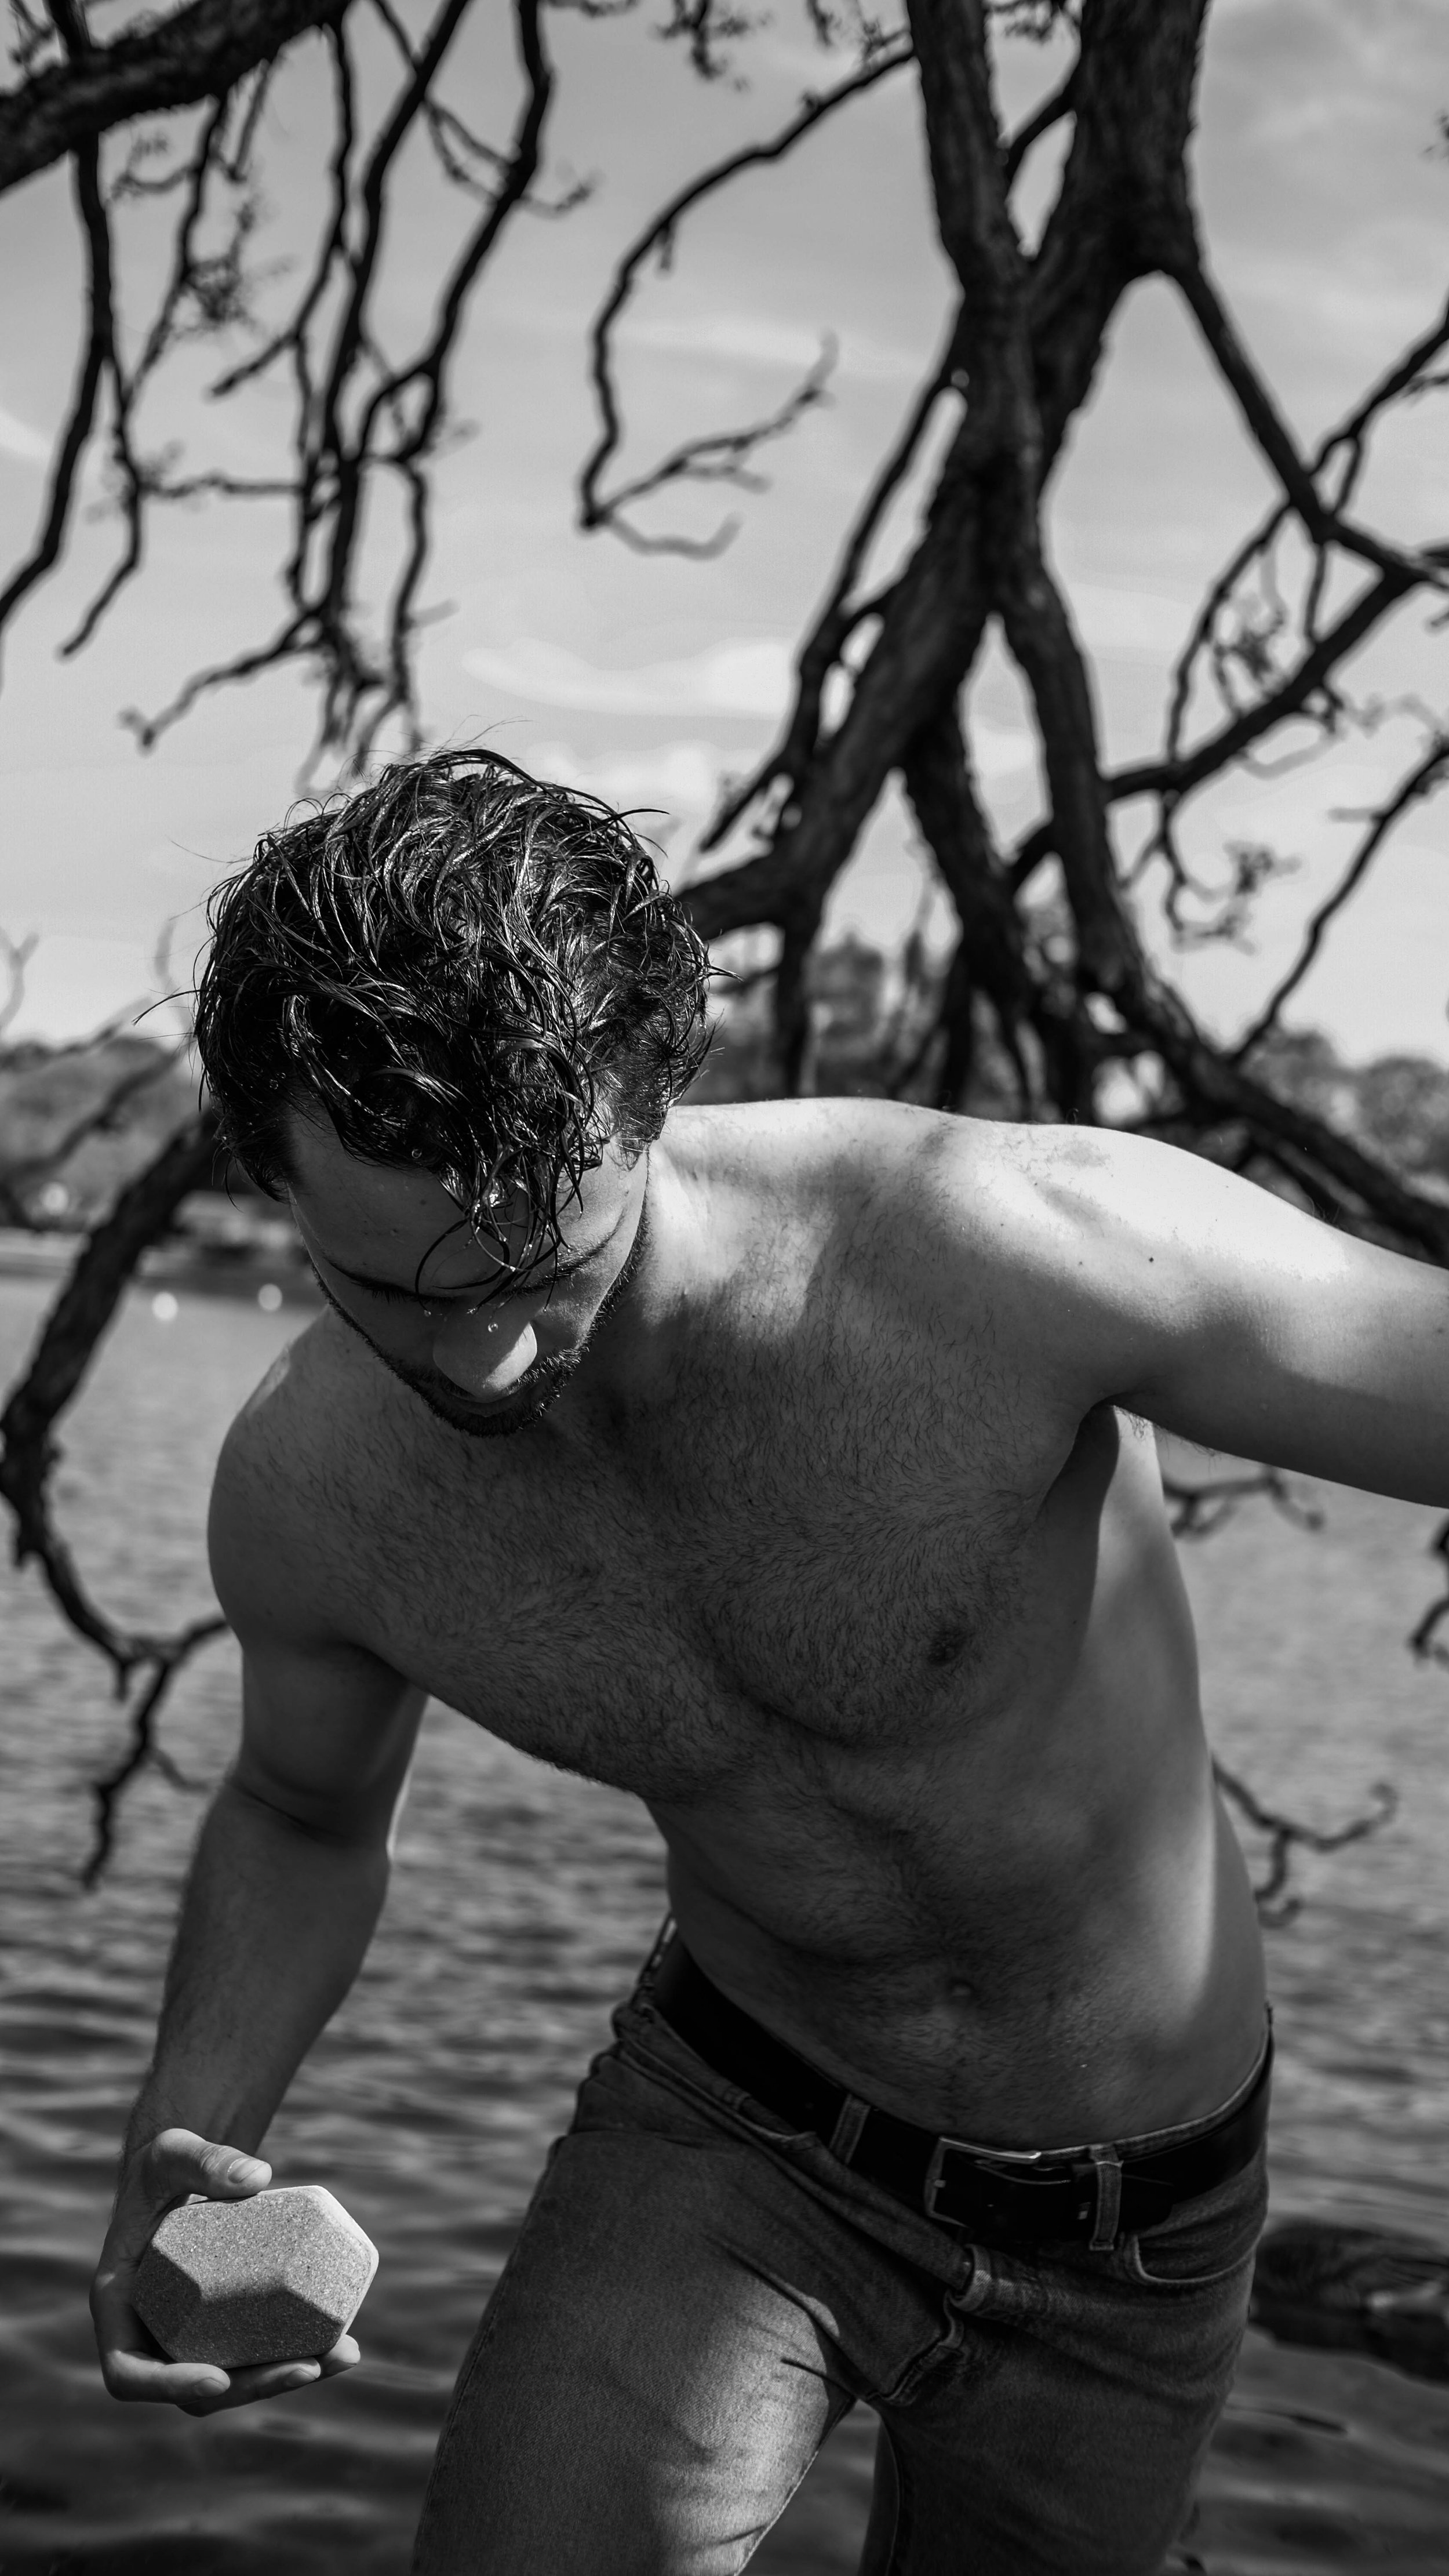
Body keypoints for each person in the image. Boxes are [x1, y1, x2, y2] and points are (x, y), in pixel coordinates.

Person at [89, 749, 1447, 2574]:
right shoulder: (313, 1486)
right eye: (400, 1293)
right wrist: (183, 2139)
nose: (485, 1363)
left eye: (537, 1267)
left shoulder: (999, 1255)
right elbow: (299, 1810)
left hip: (1138, 2225)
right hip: (727, 2137)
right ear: (271, 1180)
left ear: (652, 1093)